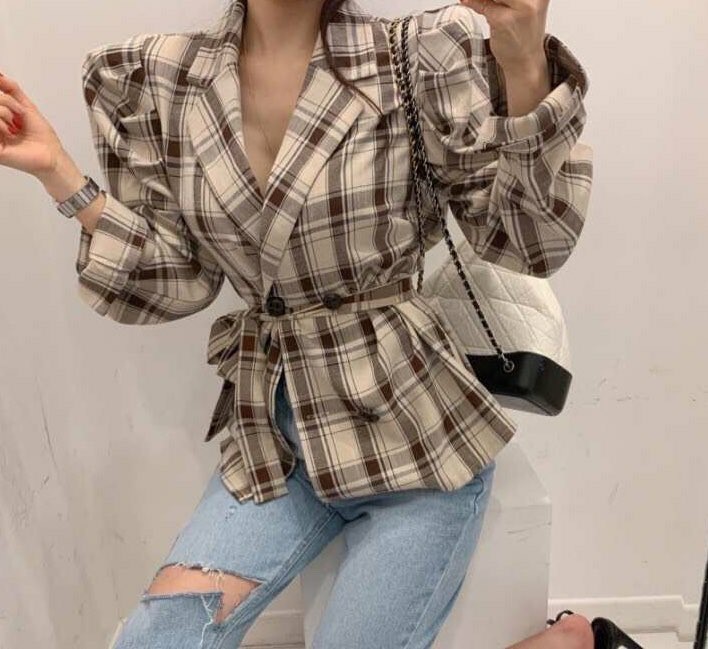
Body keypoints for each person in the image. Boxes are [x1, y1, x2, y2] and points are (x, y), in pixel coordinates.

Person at [0, 0, 594, 646]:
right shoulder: (159, 78)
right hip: (278, 444)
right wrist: (61, 176)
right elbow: (179, 278)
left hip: (419, 442)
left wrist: (523, 64)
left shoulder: (419, 54)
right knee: (155, 638)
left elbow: (529, 245)